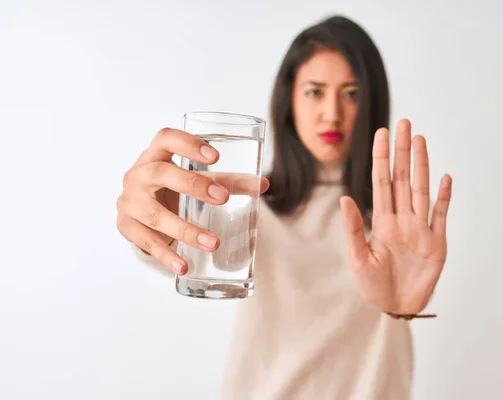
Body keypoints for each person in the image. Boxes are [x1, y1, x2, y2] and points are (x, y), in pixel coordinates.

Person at [116, 15, 452, 400]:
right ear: (288, 99)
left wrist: (403, 308)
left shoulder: (397, 222)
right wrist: (155, 224)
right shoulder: (256, 205)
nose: (332, 113)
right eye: (314, 92)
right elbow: (191, 249)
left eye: (351, 93)